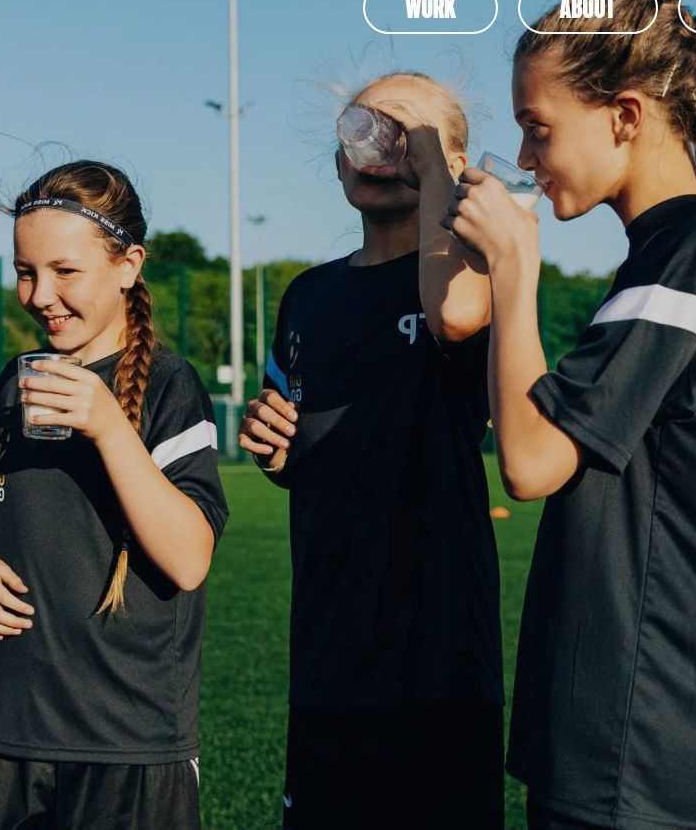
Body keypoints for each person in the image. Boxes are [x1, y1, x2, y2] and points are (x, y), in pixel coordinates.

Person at [442, 0, 696, 829]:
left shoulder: (692, 255)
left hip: (661, 731)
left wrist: (515, 267)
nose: (525, 153)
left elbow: (533, 461)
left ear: (625, 115)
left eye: (537, 127)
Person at [240, 72, 503, 827]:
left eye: (409, 134)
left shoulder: (471, 278)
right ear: (338, 161)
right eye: (365, 130)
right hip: (330, 648)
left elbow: (456, 319)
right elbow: (300, 449)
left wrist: (438, 177)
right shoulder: (307, 296)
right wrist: (273, 447)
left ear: (450, 160)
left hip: (440, 657)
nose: (383, 147)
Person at [0, 160, 228, 830]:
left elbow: (189, 559)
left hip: (128, 739)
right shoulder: (12, 386)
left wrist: (109, 426)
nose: (39, 294)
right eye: (26, 272)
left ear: (128, 265)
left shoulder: (170, 385)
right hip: (14, 732)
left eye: (65, 271)